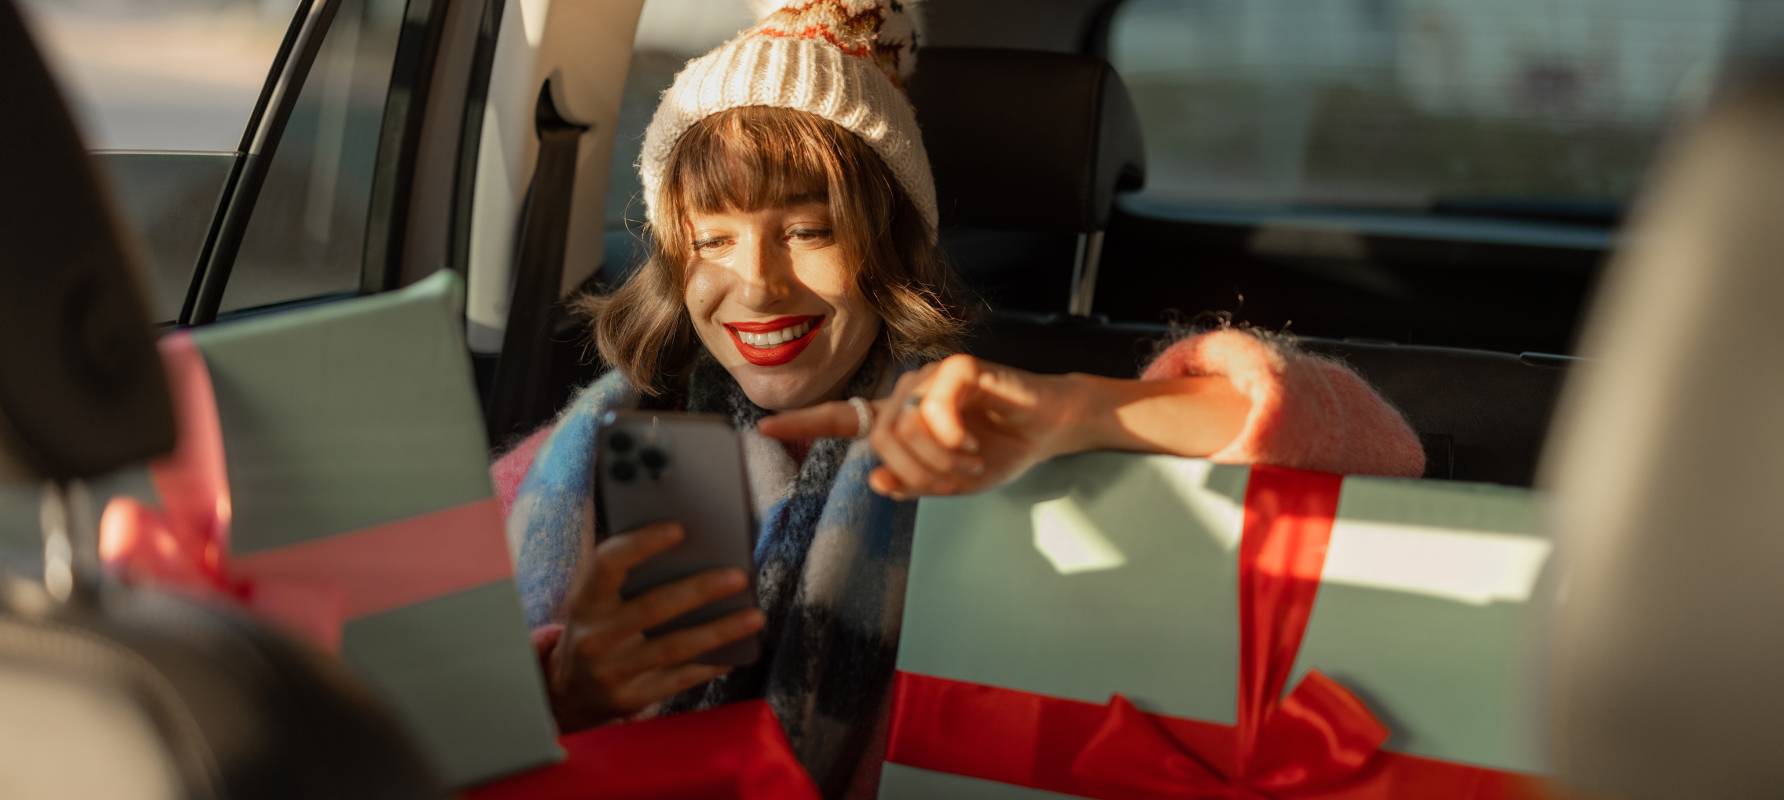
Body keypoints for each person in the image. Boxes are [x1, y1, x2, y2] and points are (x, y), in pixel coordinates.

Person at [490, 1, 1424, 795]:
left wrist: (1074, 415)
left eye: (809, 230)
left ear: (890, 249)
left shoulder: (972, 429)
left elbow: (1377, 451)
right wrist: (558, 695)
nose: (760, 285)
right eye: (712, 239)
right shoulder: (588, 449)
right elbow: (424, 709)